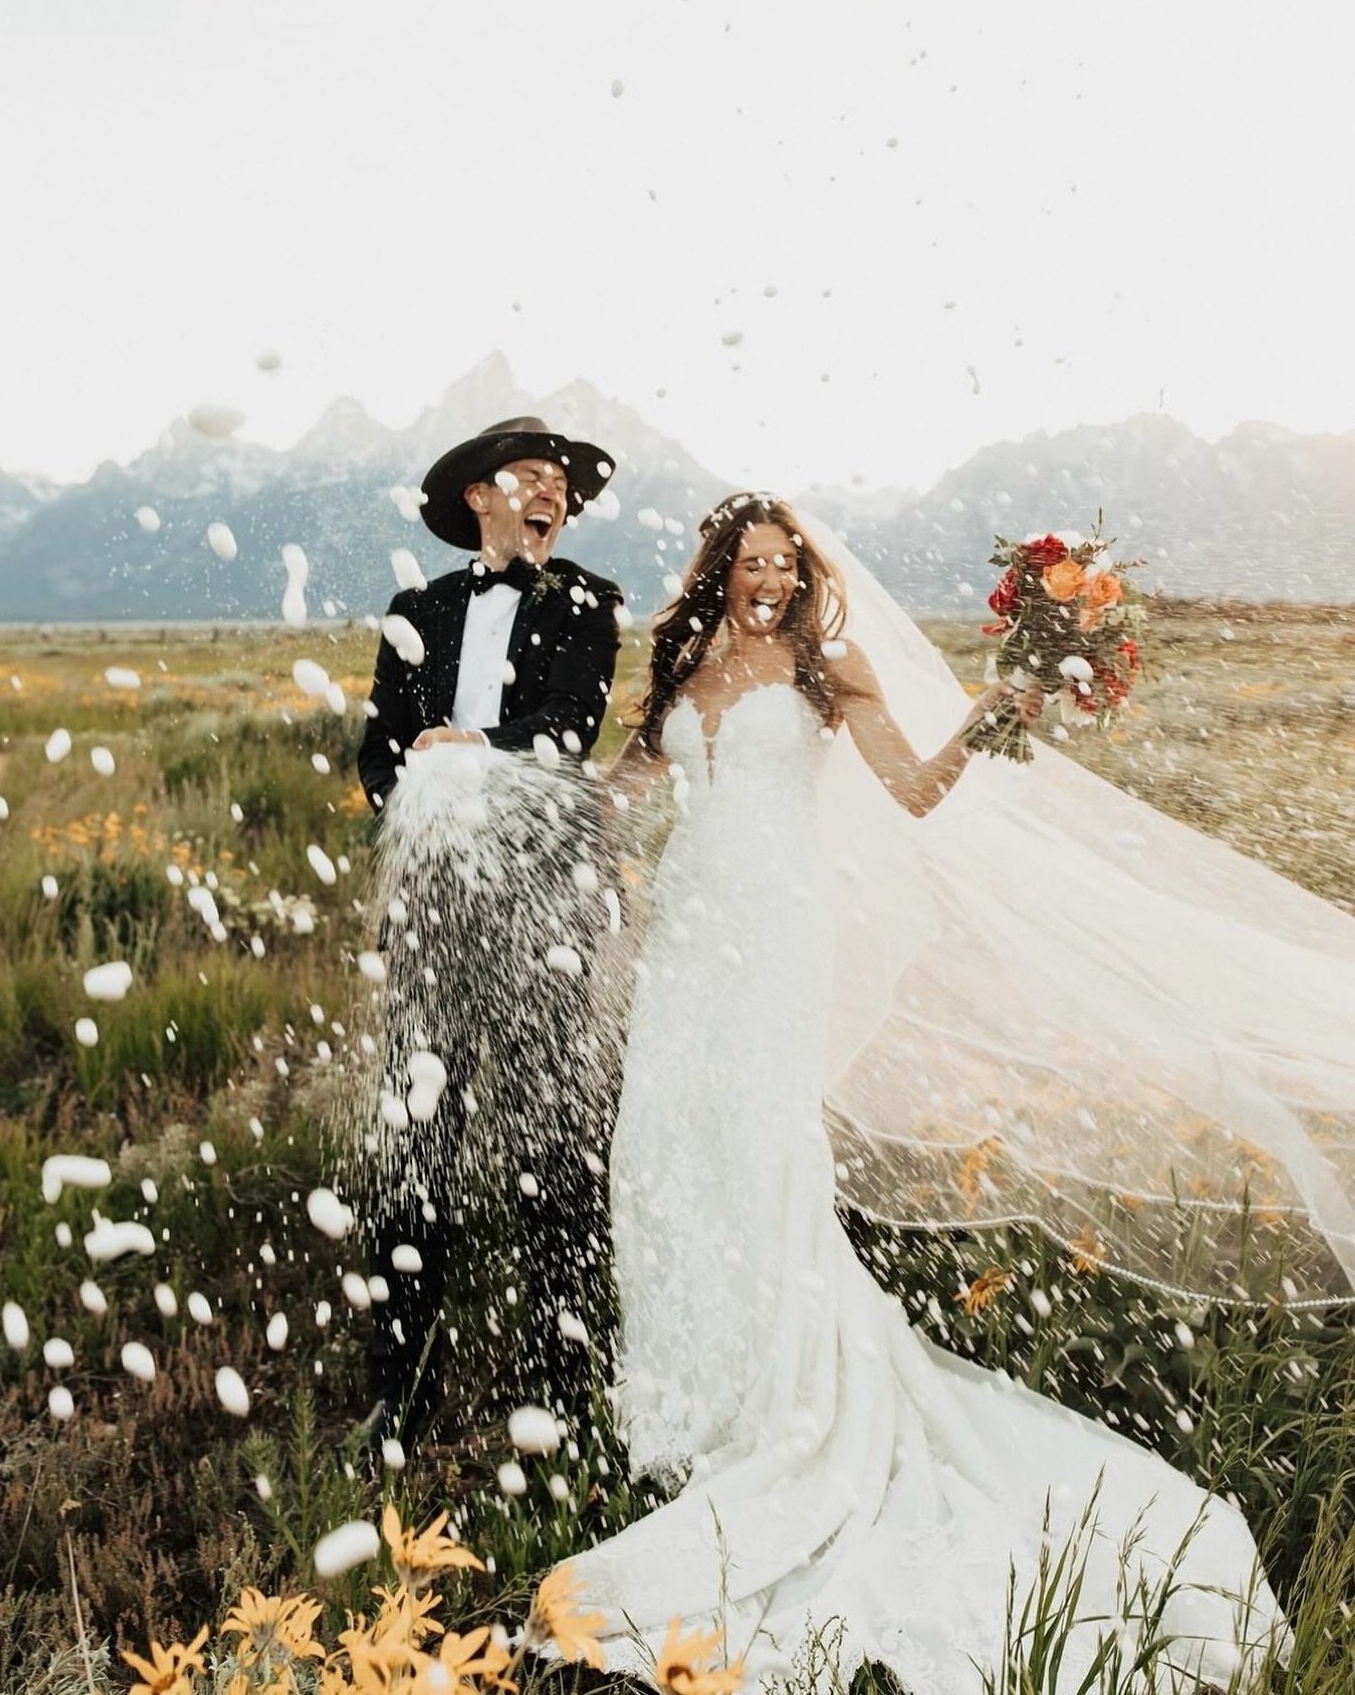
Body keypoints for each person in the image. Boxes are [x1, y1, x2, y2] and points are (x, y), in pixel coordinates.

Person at [555, 493, 1337, 1694]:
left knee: (763, 1153)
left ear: (801, 572)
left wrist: (999, 713)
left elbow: (911, 791)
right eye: (747, 564)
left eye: (782, 565)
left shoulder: (832, 665)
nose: (765, 581)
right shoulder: (685, 664)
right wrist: (521, 805)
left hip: (776, 934)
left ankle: (776, 1400)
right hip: (689, 942)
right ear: (718, 570)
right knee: (663, 1144)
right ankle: (689, 1391)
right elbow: (621, 792)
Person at [345, 416, 626, 1450]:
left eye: (564, 484)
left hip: (543, 903)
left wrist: (472, 751)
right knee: (418, 1142)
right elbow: (376, 757)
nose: (553, 493)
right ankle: (399, 1391)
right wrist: (416, 790)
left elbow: (566, 732)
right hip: (432, 907)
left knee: (550, 1137)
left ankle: (557, 1385)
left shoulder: (589, 603)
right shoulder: (414, 610)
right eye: (534, 477)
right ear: (480, 496)